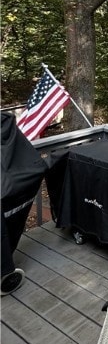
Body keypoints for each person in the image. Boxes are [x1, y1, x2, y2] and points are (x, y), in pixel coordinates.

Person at [1, 112, 46, 296]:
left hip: (10, 189)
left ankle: (5, 271)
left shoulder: (6, 127)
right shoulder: (8, 126)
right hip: (16, 186)